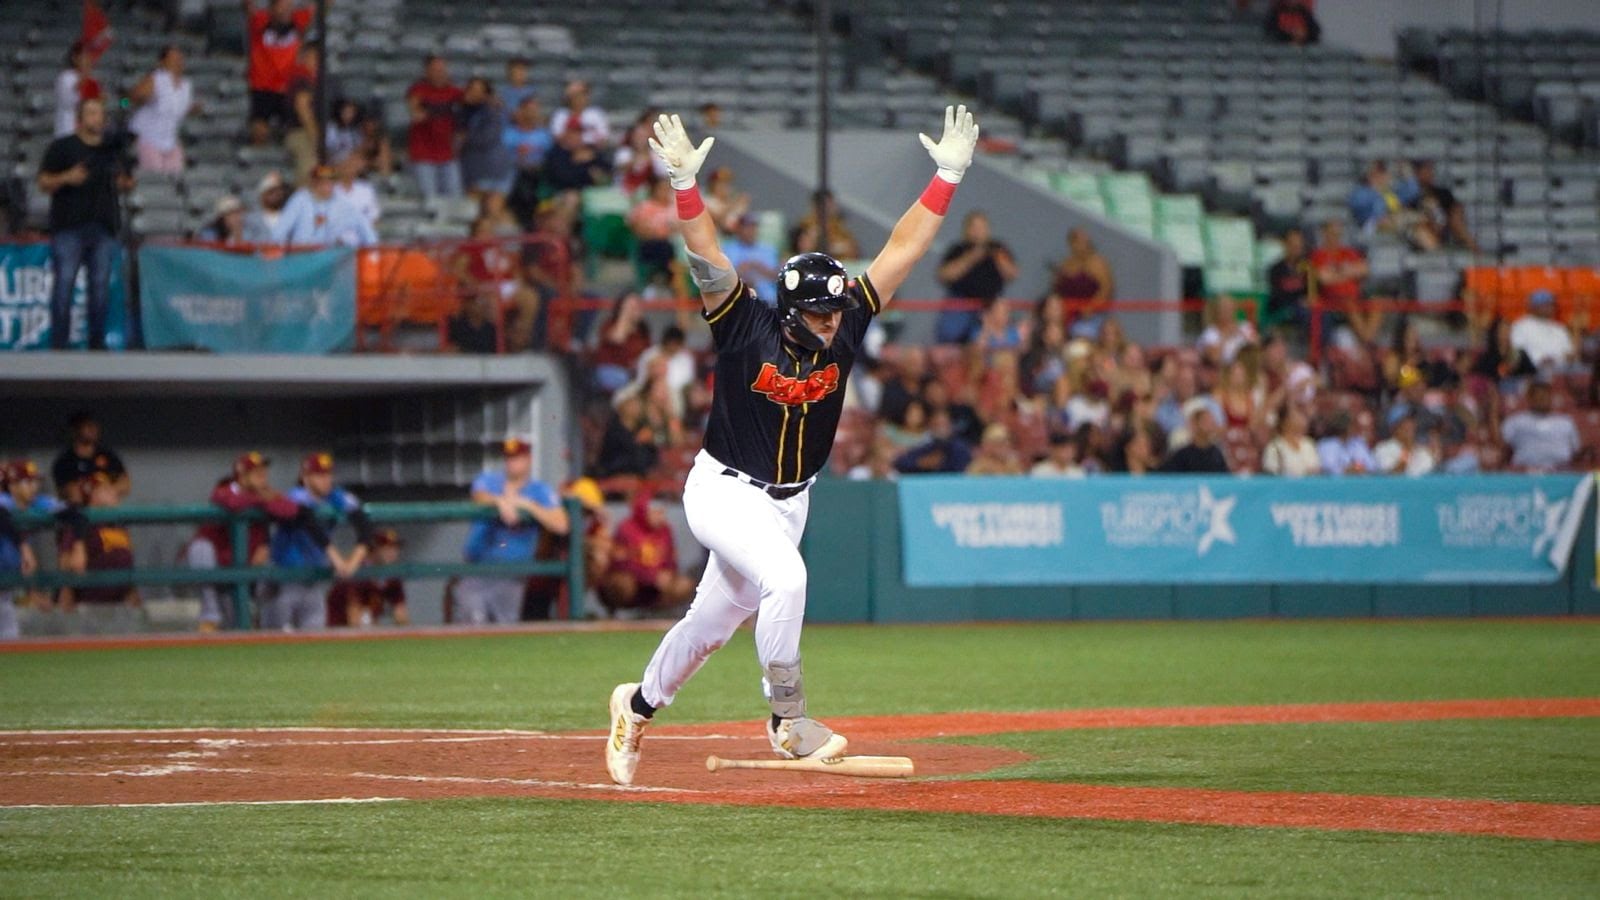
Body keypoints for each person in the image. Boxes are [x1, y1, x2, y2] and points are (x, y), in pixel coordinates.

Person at [604, 106, 979, 785]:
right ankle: (787, 720)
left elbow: (903, 249)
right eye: (819, 312)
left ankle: (635, 705)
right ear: (790, 308)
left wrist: (947, 175)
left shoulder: (848, 321)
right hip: (723, 489)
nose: (833, 322)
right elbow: (707, 256)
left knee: (711, 625)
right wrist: (686, 189)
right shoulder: (745, 324)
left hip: (788, 502)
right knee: (789, 579)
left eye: (836, 311)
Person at [36, 98, 132, 352]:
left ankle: (97, 343)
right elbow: (43, 181)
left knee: (100, 286)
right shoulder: (63, 147)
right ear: (80, 117)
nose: (95, 118)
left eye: (99, 113)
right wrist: (67, 177)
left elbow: (127, 182)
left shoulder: (111, 150)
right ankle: (59, 344)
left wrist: (119, 178)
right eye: (90, 113)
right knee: (64, 284)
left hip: (103, 225)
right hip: (69, 226)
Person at [185, 452, 299, 632]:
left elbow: (290, 510)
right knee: (200, 548)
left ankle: (271, 625)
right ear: (241, 475)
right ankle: (209, 614)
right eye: (256, 472)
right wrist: (263, 499)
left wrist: (264, 500)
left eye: (264, 470)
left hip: (249, 569)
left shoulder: (266, 493)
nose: (263, 475)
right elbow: (230, 501)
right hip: (219, 569)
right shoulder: (225, 489)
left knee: (274, 569)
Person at [459, 439, 569, 625]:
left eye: (517, 458)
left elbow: (562, 525)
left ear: (528, 459)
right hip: (477, 568)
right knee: (470, 626)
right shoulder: (490, 481)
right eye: (508, 458)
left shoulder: (538, 490)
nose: (511, 462)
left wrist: (529, 507)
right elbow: (478, 495)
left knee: (504, 628)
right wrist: (500, 502)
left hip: (512, 573)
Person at [266, 453, 371, 631]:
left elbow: (363, 522)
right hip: (283, 579)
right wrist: (337, 558)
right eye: (319, 475)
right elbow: (309, 522)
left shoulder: (334, 496)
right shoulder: (296, 496)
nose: (326, 480)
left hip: (313, 581)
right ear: (305, 477)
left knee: (315, 640)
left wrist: (353, 560)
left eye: (328, 474)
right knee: (274, 641)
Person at [0, 461, 70, 640]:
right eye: (26, 482)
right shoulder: (3, 501)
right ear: (12, 485)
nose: (33, 487)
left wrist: (32, 592)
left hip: (6, 589)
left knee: (10, 640)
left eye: (34, 482)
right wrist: (24, 547)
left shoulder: (35, 503)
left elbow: (73, 512)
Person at [56, 472, 140, 621]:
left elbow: (127, 562)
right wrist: (66, 600)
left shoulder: (118, 524)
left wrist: (134, 600)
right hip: (89, 606)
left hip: (119, 605)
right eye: (105, 490)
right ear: (92, 495)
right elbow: (65, 563)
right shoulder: (81, 525)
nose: (114, 493)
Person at [600, 494, 695, 616]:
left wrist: (668, 574)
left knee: (683, 585)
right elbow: (621, 563)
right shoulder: (626, 528)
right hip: (634, 582)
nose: (661, 516)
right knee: (622, 584)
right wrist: (650, 576)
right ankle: (619, 615)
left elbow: (671, 560)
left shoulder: (665, 530)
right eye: (656, 512)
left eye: (662, 512)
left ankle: (658, 614)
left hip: (657, 586)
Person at [934, 211, 1018, 344]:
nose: (978, 232)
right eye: (974, 228)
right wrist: (971, 257)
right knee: (949, 334)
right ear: (966, 230)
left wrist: (997, 258)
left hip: (990, 304)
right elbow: (944, 275)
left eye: (981, 228)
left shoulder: (998, 249)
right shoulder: (958, 249)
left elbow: (1013, 273)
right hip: (961, 302)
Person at [244, 0, 313, 145]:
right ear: (272, 8)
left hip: (287, 88)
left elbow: (323, 7)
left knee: (293, 131)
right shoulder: (260, 21)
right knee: (259, 130)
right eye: (282, 7)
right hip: (262, 87)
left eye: (289, 7)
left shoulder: (298, 21)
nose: (286, 11)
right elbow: (247, 7)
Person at [127, 46, 196, 175]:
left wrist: (194, 109)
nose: (178, 62)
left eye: (180, 58)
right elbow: (127, 100)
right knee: (154, 176)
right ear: (162, 62)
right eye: (173, 59)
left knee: (176, 174)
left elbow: (180, 108)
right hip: (148, 138)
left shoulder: (186, 85)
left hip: (170, 139)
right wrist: (128, 102)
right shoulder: (156, 79)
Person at [275, 164, 378, 247]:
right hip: (301, 256)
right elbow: (281, 229)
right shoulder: (300, 199)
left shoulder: (340, 203)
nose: (327, 185)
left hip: (326, 259)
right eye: (322, 181)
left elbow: (364, 226)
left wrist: (373, 249)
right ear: (314, 182)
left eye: (331, 181)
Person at [407, 55, 465, 200]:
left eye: (442, 69)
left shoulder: (454, 91)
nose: (439, 73)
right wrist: (444, 108)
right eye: (435, 69)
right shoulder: (418, 90)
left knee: (454, 199)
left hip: (448, 154)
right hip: (424, 155)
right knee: (430, 200)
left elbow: (472, 100)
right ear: (427, 71)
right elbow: (416, 114)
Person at [1310, 218, 1375, 346]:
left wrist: (1336, 272)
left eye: (1338, 234)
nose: (1335, 238)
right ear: (1324, 234)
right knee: (1349, 304)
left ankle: (1367, 337)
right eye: (1332, 234)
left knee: (1378, 303)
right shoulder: (1318, 255)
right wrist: (1348, 271)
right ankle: (1368, 342)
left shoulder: (1348, 252)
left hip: (1357, 297)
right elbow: (1323, 278)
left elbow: (1365, 269)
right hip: (1333, 300)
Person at [326, 529, 409, 627]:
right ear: (374, 548)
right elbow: (354, 619)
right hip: (338, 631)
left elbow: (401, 613)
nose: (392, 552)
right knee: (366, 617)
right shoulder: (358, 570)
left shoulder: (391, 575)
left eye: (395, 547)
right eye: (386, 547)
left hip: (367, 627)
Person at [1349, 161, 1437, 250]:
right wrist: (1379, 192)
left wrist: (1407, 174)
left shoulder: (1389, 193)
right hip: (1371, 226)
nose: (1385, 177)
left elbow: (1412, 190)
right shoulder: (1360, 192)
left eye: (1384, 173)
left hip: (1395, 222)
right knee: (1406, 219)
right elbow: (1364, 213)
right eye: (1380, 173)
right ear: (1370, 175)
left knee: (1422, 225)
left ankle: (1435, 256)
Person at [1049, 227, 1114, 339]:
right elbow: (1057, 289)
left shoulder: (1097, 263)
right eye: (1078, 241)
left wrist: (1091, 307)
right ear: (1071, 243)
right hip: (1067, 315)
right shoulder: (1067, 263)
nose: (1082, 245)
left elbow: (1106, 288)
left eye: (1085, 241)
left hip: (1090, 317)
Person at [1500, 380, 1579, 472]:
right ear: (1530, 399)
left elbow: (1575, 449)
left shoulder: (1565, 422)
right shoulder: (1515, 421)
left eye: (1546, 396)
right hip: (1525, 472)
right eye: (1539, 396)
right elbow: (1503, 448)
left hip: (1561, 472)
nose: (1543, 399)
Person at [51, 412, 129, 504]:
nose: (93, 429)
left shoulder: (108, 455)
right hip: (79, 510)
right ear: (75, 430)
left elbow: (125, 483)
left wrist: (110, 490)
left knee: (104, 495)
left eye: (94, 426)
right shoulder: (65, 461)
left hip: (106, 508)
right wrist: (89, 491)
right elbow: (67, 491)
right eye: (87, 426)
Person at [459, 78, 516, 201]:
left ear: (486, 94)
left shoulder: (493, 111)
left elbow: (488, 136)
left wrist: (467, 137)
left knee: (491, 208)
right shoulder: (460, 109)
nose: (475, 93)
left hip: (491, 169)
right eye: (472, 89)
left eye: (479, 90)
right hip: (471, 169)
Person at [1404, 159, 1477, 252]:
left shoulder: (1443, 193)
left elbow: (1454, 211)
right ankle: (1439, 255)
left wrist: (1442, 217)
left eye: (1430, 170)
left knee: (1456, 215)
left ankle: (1474, 249)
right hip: (1424, 231)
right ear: (1417, 173)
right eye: (1425, 170)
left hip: (1446, 226)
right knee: (1420, 228)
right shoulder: (1410, 196)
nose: (1429, 173)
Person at [1509, 290, 1577, 372]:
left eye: (1551, 305)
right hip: (1532, 371)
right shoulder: (1520, 326)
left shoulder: (1559, 328)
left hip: (1560, 371)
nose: (1549, 308)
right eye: (1545, 305)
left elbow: (1569, 353)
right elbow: (1518, 352)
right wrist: (1540, 360)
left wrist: (1557, 361)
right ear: (1533, 307)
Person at [627, 176, 678, 285]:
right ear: (654, 190)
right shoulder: (644, 207)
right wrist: (659, 232)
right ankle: (660, 280)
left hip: (673, 243)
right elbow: (638, 229)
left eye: (667, 189)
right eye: (661, 189)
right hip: (650, 243)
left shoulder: (675, 207)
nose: (665, 192)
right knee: (664, 247)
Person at [722, 214, 781, 305]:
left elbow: (776, 276)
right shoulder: (728, 249)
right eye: (747, 227)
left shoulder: (768, 249)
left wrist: (758, 267)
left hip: (768, 299)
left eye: (753, 227)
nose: (751, 231)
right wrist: (747, 268)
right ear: (739, 229)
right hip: (739, 299)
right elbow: (726, 277)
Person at [1159, 400, 1230, 473]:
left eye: (1211, 421)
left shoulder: (1216, 454)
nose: (1210, 425)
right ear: (1194, 424)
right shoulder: (1182, 455)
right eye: (1205, 421)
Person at [1265, 228, 1311, 335]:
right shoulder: (1275, 269)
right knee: (1304, 313)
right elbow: (1276, 295)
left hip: (1304, 307)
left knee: (1322, 313)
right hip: (1284, 307)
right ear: (1285, 245)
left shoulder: (1307, 267)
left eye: (1299, 246)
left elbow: (1312, 289)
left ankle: (1323, 347)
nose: (1296, 249)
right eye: (1293, 245)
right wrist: (1298, 299)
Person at [54, 41, 103, 138]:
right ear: (75, 58)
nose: (87, 60)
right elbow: (68, 102)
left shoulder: (92, 80)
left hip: (87, 130)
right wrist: (83, 78)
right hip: (67, 128)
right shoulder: (65, 77)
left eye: (89, 57)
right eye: (84, 56)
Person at [1196, 294, 1259, 367]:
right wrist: (1227, 335)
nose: (1227, 311)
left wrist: (1245, 336)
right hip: (1222, 370)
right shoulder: (1210, 332)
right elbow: (1214, 358)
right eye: (1223, 308)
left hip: (1246, 367)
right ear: (1217, 311)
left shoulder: (1245, 326)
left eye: (1229, 307)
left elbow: (1257, 347)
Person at [550, 79, 612, 151]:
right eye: (574, 95)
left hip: (591, 151)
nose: (578, 98)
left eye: (582, 94)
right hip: (566, 151)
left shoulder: (596, 114)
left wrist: (582, 141)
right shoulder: (560, 114)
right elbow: (557, 137)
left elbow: (603, 138)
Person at [1260, 405, 1321, 477]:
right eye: (1296, 417)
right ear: (1284, 422)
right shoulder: (1275, 446)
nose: (1300, 420)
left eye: (1302, 417)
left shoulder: (1308, 444)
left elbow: (1316, 469)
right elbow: (1271, 472)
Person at [1373, 412, 1437, 476]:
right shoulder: (1383, 448)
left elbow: (1429, 475)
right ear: (1394, 428)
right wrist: (1405, 456)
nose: (1409, 428)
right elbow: (1389, 476)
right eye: (1405, 425)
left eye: (1412, 425)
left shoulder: (1422, 451)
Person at [1316, 410, 1376, 475]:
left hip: (1358, 482)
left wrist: (1362, 468)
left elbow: (1372, 465)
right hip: (1335, 483)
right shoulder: (1326, 445)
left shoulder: (1358, 443)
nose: (1355, 428)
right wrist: (1347, 469)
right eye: (1352, 425)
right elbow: (1328, 467)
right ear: (1345, 428)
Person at [243, 170, 289, 243]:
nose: (276, 195)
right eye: (271, 192)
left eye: (278, 191)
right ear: (263, 196)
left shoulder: (289, 216)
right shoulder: (251, 219)